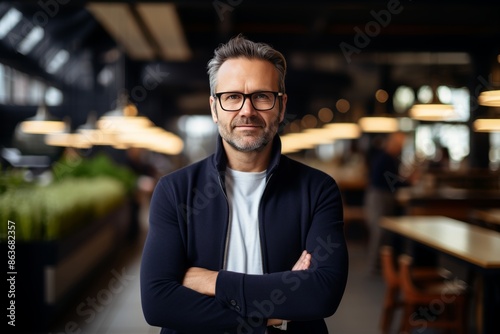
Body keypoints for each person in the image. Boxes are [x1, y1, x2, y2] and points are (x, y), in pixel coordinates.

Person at [140, 35, 348, 334]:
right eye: (232, 97)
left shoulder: (318, 190)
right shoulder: (175, 191)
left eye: (262, 96)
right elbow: (158, 302)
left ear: (281, 105)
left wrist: (211, 281)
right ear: (214, 108)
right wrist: (273, 316)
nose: (247, 111)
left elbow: (322, 294)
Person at [364, 131, 417, 274]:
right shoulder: (385, 158)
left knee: (384, 232)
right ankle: (374, 266)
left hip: (383, 196)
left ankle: (382, 266)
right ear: (391, 143)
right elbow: (392, 181)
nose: (400, 148)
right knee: (379, 232)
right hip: (378, 197)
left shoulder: (389, 158)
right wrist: (408, 182)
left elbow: (392, 180)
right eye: (399, 145)